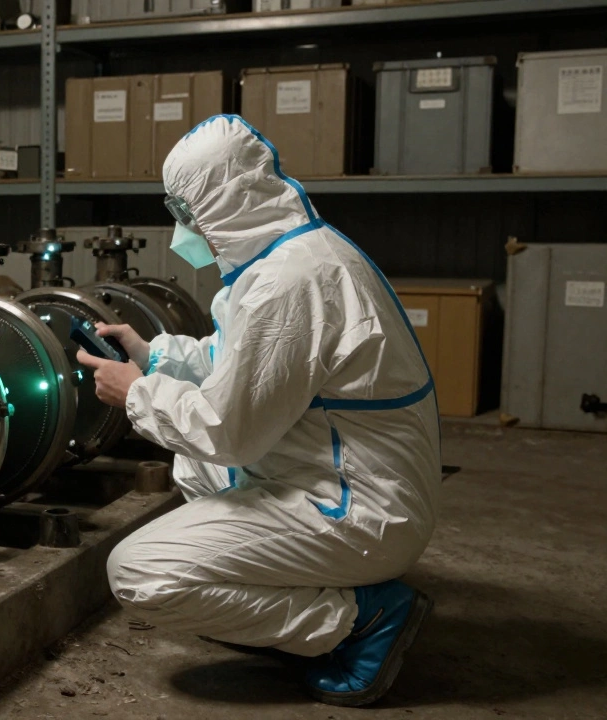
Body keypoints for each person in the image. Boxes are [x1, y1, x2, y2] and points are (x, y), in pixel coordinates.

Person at [75, 115, 441, 707]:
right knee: (193, 470)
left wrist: (137, 392)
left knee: (140, 574)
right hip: (343, 469)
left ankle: (361, 618)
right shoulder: (289, 256)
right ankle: (296, 601)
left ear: (225, 205)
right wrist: (152, 354)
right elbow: (238, 359)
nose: (181, 232)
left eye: (186, 214)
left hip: (361, 506)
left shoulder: (289, 282)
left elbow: (229, 431)